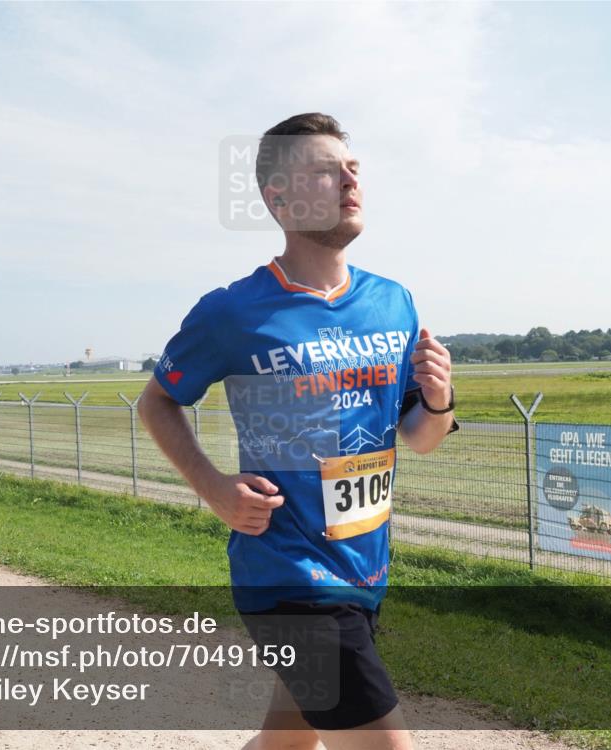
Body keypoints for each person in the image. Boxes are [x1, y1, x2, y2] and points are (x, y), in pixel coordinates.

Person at [138, 113, 457, 750]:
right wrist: (213, 488)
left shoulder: (394, 302)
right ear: (278, 198)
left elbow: (420, 437)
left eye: (353, 168)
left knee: (285, 743)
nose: (350, 180)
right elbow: (157, 402)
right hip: (286, 574)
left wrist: (441, 400)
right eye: (326, 171)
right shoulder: (233, 311)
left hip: (363, 570)